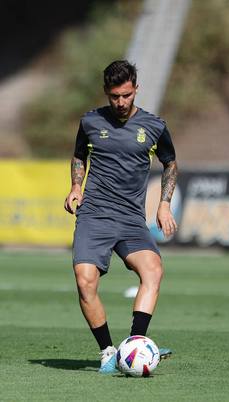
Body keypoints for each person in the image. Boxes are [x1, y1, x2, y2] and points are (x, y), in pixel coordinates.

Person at [64, 60, 178, 374]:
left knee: (153, 271)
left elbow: (170, 162)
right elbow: (79, 155)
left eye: (126, 95)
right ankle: (108, 352)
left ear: (136, 89)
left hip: (130, 218)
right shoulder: (90, 122)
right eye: (115, 96)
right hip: (95, 215)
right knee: (85, 282)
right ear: (106, 92)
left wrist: (164, 204)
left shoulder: (154, 126)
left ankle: (136, 344)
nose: (121, 102)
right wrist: (76, 185)